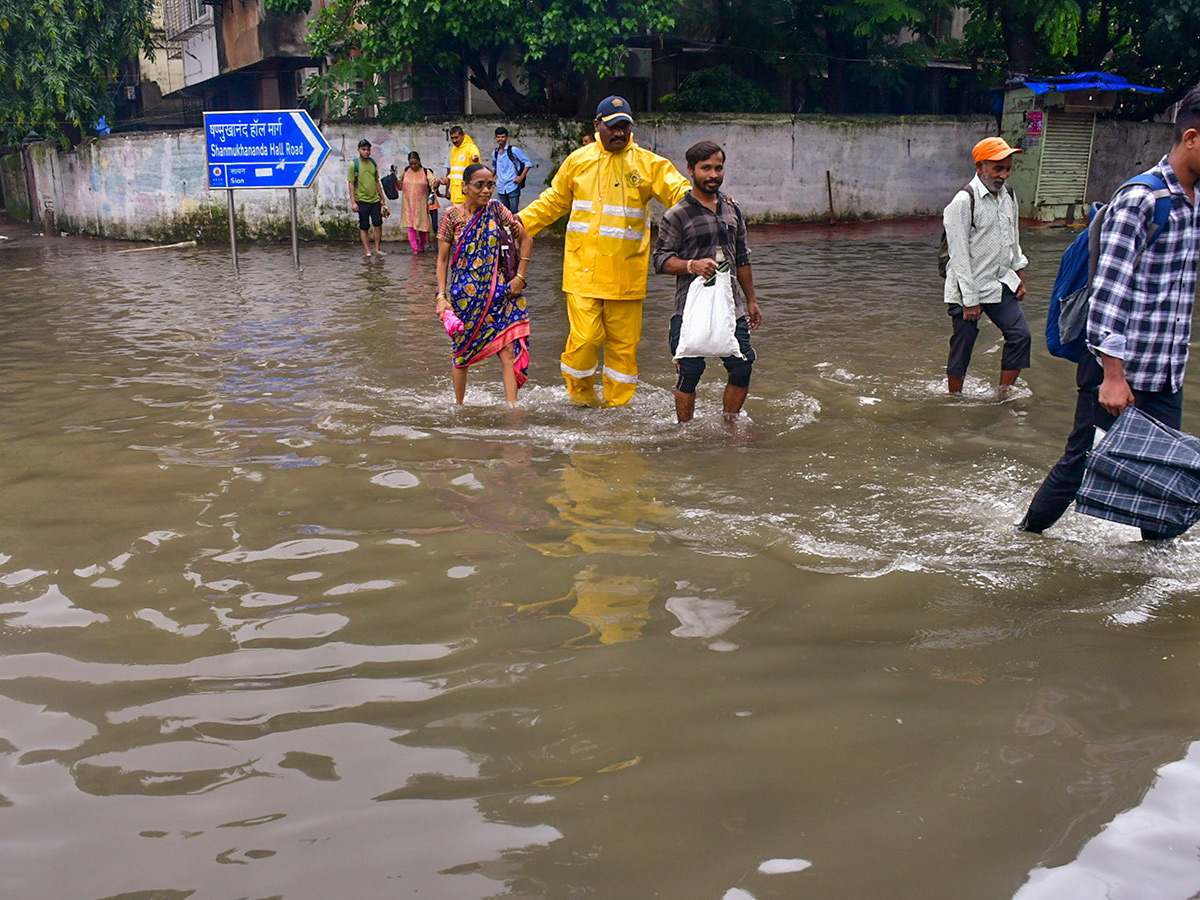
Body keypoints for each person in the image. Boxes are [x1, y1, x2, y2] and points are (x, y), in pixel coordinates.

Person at [1021, 89, 1200, 539]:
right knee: (1082, 463)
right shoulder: (1142, 200)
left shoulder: (1195, 203)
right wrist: (1114, 375)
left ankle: (1149, 587)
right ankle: (1024, 541)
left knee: (1165, 477)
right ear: (1192, 139)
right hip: (1118, 370)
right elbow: (1108, 293)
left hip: (1166, 370)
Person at [519, 96, 690, 407]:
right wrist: (519, 225)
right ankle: (580, 400)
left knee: (623, 349)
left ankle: (618, 409)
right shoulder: (578, 161)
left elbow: (679, 192)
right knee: (584, 340)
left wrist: (703, 205)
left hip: (627, 276)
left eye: (625, 126)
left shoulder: (649, 165)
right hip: (582, 272)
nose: (619, 133)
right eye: (613, 126)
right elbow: (554, 201)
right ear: (597, 125)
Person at [652, 140, 762, 424]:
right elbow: (661, 261)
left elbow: (742, 257)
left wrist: (751, 300)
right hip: (690, 306)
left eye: (718, 168)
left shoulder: (732, 209)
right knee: (689, 371)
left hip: (731, 305)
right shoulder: (677, 214)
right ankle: (685, 432)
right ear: (691, 170)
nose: (713, 175)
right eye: (706, 168)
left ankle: (729, 425)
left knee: (742, 366)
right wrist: (692, 265)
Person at [435, 163, 534, 405]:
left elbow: (527, 239)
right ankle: (459, 408)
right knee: (461, 356)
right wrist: (441, 297)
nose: (486, 191)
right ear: (464, 187)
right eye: (479, 185)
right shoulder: (451, 216)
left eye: (490, 185)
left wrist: (519, 277)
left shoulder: (498, 211)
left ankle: (512, 409)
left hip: (500, 294)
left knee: (508, 351)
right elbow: (442, 259)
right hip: (464, 299)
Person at [942, 137, 1031, 396]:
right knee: (964, 345)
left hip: (1000, 281)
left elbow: (1013, 237)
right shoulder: (962, 202)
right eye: (998, 168)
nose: (1004, 175)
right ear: (980, 167)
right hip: (966, 286)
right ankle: (954, 399)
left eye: (1007, 168)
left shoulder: (1008, 195)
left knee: (1021, 335)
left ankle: (1003, 395)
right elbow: (958, 256)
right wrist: (970, 300)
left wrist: (1020, 272)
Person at [349, 139, 387, 259]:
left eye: (368, 149)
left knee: (378, 224)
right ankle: (367, 251)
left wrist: (382, 198)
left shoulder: (373, 163)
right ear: (359, 150)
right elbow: (351, 183)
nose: (366, 152)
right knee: (364, 226)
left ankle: (377, 248)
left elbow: (377, 181)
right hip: (362, 200)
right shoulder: (353, 165)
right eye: (364, 149)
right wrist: (353, 202)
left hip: (375, 200)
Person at [399, 150, 440, 254]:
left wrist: (438, 183)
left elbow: (433, 183)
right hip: (408, 203)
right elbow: (399, 184)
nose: (413, 166)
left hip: (421, 203)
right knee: (410, 225)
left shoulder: (426, 172)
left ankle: (421, 246)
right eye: (411, 164)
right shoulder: (405, 170)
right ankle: (415, 249)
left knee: (422, 225)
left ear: (419, 161)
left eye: (415, 163)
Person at [492, 126, 531, 213]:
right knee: (505, 213)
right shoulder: (495, 152)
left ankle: (516, 226)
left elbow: (527, 163)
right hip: (501, 186)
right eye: (498, 137)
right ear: (495, 138)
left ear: (507, 137)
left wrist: (521, 177)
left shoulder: (513, 150)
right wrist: (491, 178)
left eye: (502, 137)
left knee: (514, 212)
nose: (500, 139)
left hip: (512, 185)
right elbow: (494, 167)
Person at [440, 126, 481, 205]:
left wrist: (475, 157)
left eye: (456, 137)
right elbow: (454, 172)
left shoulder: (471, 147)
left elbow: (475, 155)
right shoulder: (453, 150)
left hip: (468, 194)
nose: (454, 140)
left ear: (463, 135)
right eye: (452, 138)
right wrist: (447, 179)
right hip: (456, 195)